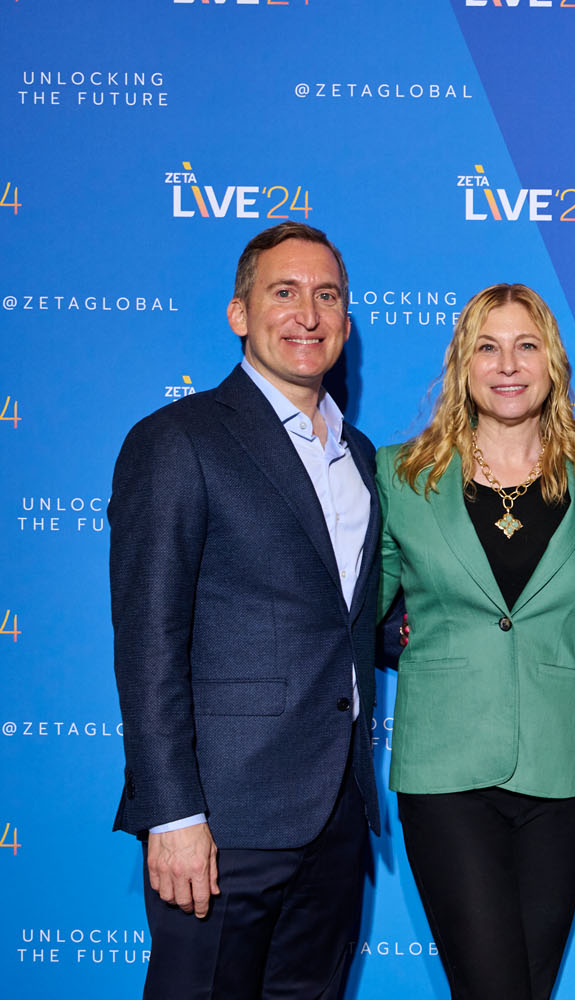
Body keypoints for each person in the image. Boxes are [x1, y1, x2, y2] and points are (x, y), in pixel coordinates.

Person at [109, 221, 381, 998]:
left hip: (334, 815)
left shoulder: (357, 455)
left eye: (327, 296)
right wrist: (172, 816)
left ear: (347, 320)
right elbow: (149, 640)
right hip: (221, 822)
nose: (308, 313)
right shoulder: (177, 440)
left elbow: (341, 617)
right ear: (239, 313)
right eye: (284, 292)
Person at [376, 283, 575, 1000]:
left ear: (553, 364)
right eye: (487, 346)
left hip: (557, 776)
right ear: (462, 364)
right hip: (445, 773)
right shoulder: (402, 476)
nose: (507, 364)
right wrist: (400, 633)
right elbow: (366, 613)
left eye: (526, 346)